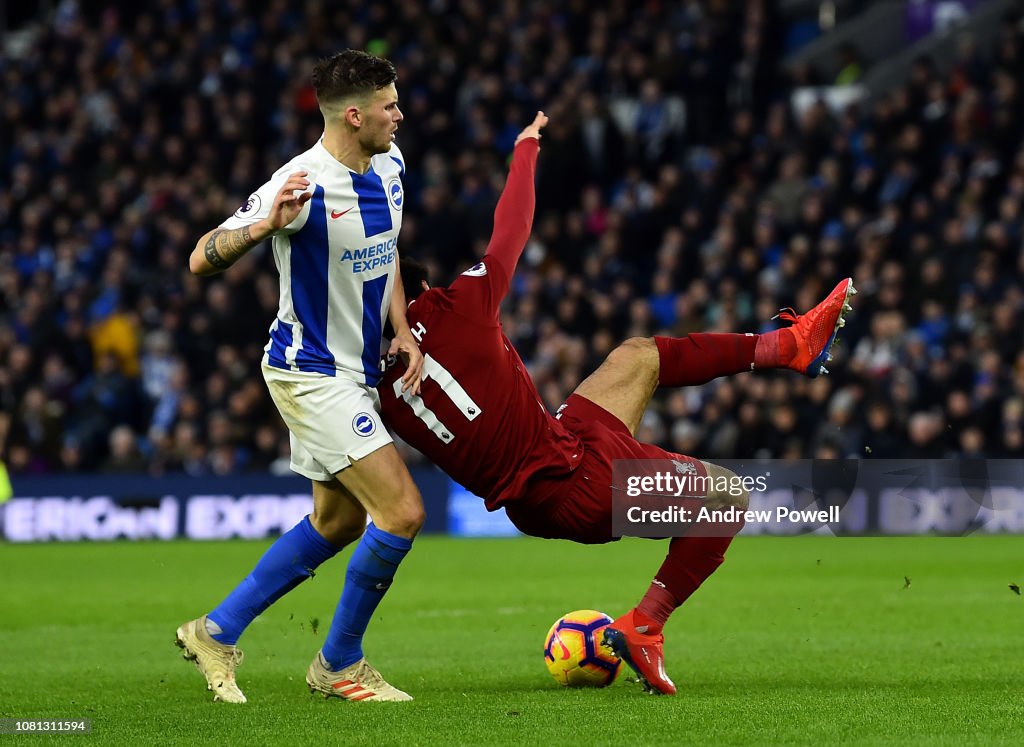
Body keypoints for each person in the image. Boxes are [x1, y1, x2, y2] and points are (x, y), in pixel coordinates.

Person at [378, 111, 856, 695]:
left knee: (637, 357)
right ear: (421, 289)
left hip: (550, 465)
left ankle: (788, 346)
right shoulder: (459, 306)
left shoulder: (372, 386)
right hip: (576, 481)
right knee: (727, 499)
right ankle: (646, 627)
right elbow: (513, 225)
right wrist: (525, 150)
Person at [177, 49, 426, 704]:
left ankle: (215, 629)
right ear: (354, 115)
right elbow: (201, 258)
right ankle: (339, 661)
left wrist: (400, 327)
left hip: (357, 371)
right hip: (310, 371)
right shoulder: (300, 181)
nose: (400, 115)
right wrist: (263, 227)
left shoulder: (392, 165)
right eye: (389, 106)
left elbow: (387, 248)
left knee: (338, 522)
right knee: (400, 511)